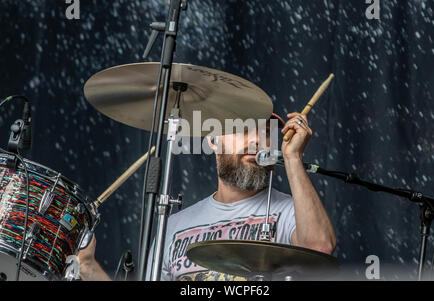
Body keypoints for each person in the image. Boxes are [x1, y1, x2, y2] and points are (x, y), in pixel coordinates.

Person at [78, 112, 336, 281]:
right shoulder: (174, 226)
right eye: (244, 129)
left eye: (266, 132)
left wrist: (293, 158)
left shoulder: (291, 211)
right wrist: (89, 268)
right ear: (212, 139)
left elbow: (319, 246)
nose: (257, 140)